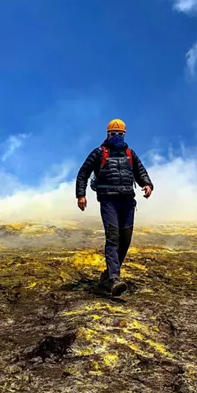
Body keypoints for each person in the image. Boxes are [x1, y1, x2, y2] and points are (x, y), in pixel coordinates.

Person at [75, 118, 154, 296]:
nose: (116, 137)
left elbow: (140, 171)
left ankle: (107, 275)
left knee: (125, 240)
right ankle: (114, 278)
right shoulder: (99, 152)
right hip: (108, 201)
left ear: (124, 135)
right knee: (113, 238)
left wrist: (147, 184)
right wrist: (81, 195)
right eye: (113, 134)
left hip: (128, 201)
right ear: (107, 135)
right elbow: (83, 173)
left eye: (120, 134)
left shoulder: (130, 153)